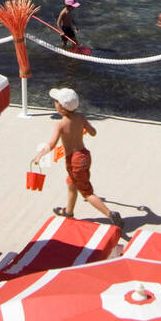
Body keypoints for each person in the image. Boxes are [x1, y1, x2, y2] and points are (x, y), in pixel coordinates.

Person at [31, 88, 121, 228]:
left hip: (74, 161)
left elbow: (52, 144)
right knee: (72, 183)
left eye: (55, 101)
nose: (54, 103)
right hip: (85, 155)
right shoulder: (81, 118)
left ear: (61, 107)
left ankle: (110, 214)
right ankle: (69, 212)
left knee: (87, 192)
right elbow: (93, 132)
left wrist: (39, 155)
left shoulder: (60, 124)